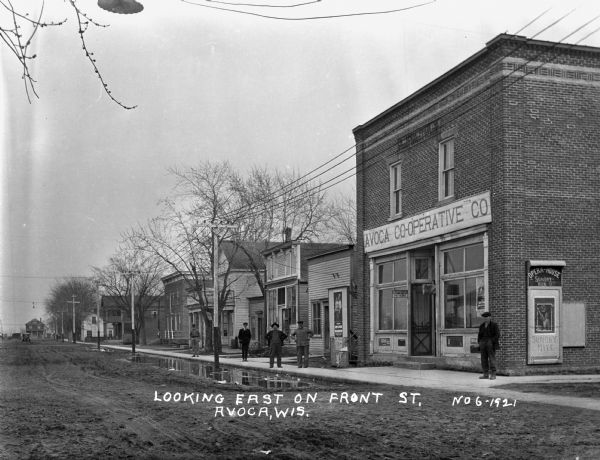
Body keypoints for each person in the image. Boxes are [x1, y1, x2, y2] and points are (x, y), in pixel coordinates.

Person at [477, 311, 500, 380]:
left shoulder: (494, 325)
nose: (485, 319)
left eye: (486, 317)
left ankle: (493, 374)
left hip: (490, 343)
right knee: (483, 359)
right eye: (484, 317)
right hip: (483, 343)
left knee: (491, 358)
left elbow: (497, 335)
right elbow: (479, 335)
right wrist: (479, 342)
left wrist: (491, 341)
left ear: (490, 317)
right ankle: (485, 374)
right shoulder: (481, 326)